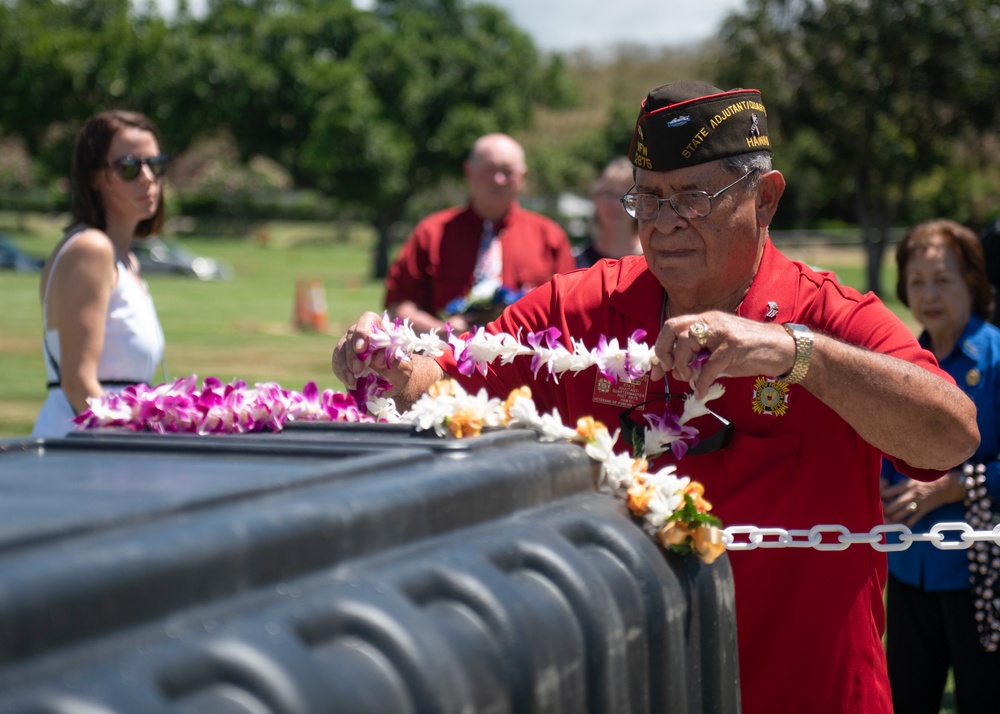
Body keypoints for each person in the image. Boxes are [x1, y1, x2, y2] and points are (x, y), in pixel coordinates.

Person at [334, 81, 979, 714]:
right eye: (650, 200)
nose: (666, 225)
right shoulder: (585, 305)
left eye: (694, 198)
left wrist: (796, 353)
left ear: (765, 197)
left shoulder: (826, 314)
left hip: (811, 692)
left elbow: (950, 436)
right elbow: (451, 375)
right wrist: (393, 366)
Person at [880, 219, 1000, 713]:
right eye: (917, 281)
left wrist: (954, 487)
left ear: (972, 281)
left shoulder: (995, 357)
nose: (929, 294)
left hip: (981, 578)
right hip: (908, 571)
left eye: (943, 280)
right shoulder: (899, 361)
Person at [32, 110, 167, 438]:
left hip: (110, 453)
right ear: (94, 177)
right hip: (85, 451)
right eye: (129, 167)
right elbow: (79, 383)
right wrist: (129, 446)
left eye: (155, 164)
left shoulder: (127, 262)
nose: (147, 178)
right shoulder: (91, 249)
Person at [383, 132, 575, 334]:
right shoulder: (431, 233)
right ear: (469, 171)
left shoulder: (549, 236)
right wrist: (444, 332)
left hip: (524, 358)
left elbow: (568, 308)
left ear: (522, 177)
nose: (498, 180)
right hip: (445, 359)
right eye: (488, 170)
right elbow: (399, 307)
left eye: (507, 171)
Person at [573, 157, 642, 268]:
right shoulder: (573, 261)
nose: (614, 204)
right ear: (595, 199)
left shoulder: (652, 262)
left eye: (623, 196)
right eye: (607, 194)